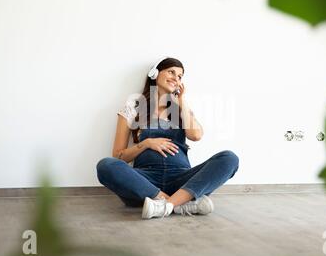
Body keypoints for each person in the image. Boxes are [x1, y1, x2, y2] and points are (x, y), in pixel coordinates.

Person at [96, 57, 239, 219]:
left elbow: (196, 135)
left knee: (229, 158)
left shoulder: (181, 108)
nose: (176, 78)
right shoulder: (133, 107)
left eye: (180, 76)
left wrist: (181, 101)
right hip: (145, 182)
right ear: (154, 74)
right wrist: (146, 144)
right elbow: (118, 155)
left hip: (182, 180)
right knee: (105, 165)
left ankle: (166, 205)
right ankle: (178, 203)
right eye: (171, 72)